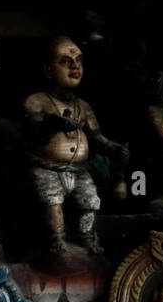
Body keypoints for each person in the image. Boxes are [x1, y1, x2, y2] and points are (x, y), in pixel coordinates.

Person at [23, 36, 128, 256]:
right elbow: (33, 131)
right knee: (53, 202)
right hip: (47, 168)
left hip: (79, 170)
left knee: (89, 201)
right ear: (48, 69)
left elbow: (97, 137)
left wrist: (113, 148)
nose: (75, 65)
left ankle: (87, 238)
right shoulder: (37, 101)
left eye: (79, 60)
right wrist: (52, 124)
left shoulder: (84, 106)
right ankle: (57, 240)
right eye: (65, 61)